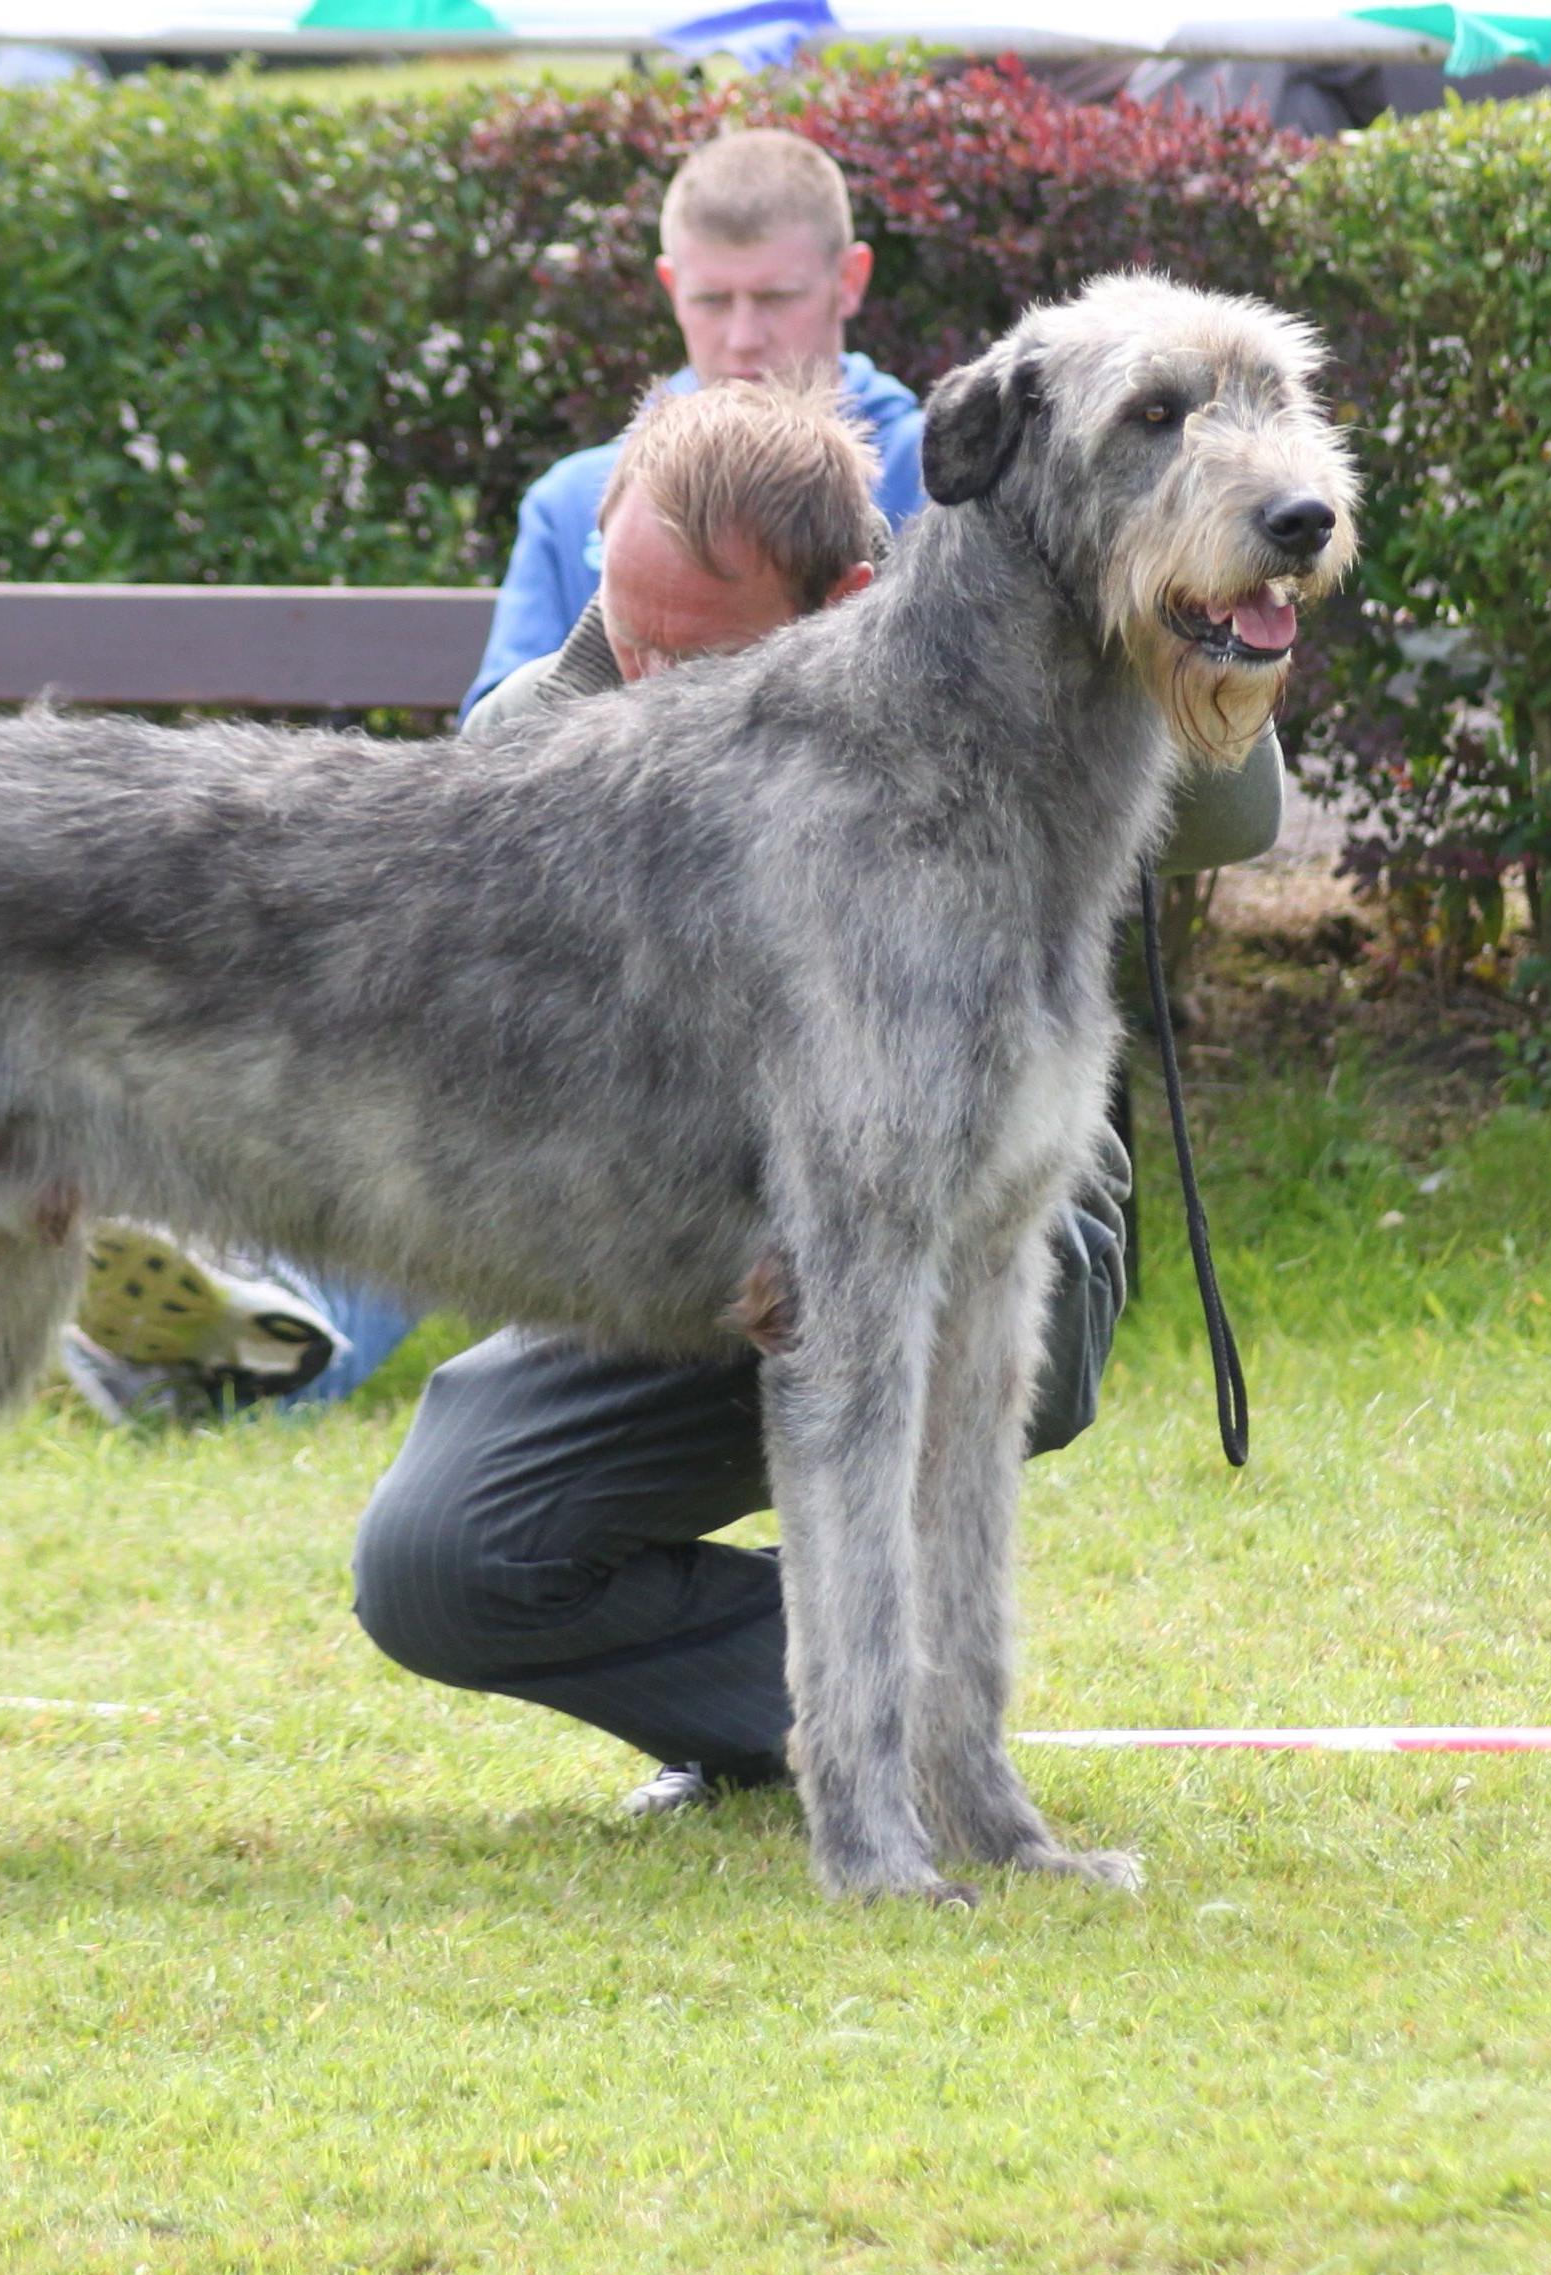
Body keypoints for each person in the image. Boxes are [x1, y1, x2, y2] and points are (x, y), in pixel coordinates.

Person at [356, 376, 1285, 1817]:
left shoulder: (983, 676)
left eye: (697, 651)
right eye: (624, 631)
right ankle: (827, 1715)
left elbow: (1236, 812)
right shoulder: (553, 722)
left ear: (851, 596)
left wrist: (1168, 606)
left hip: (974, 1233)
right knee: (441, 1561)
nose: (648, 684)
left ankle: (913, 1734)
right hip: (691, 1252)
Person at [461, 127, 925, 721]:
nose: (743, 339)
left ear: (850, 281)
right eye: (711, 300)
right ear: (672, 288)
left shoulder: (940, 480)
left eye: (778, 297)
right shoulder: (576, 497)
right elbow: (496, 747)